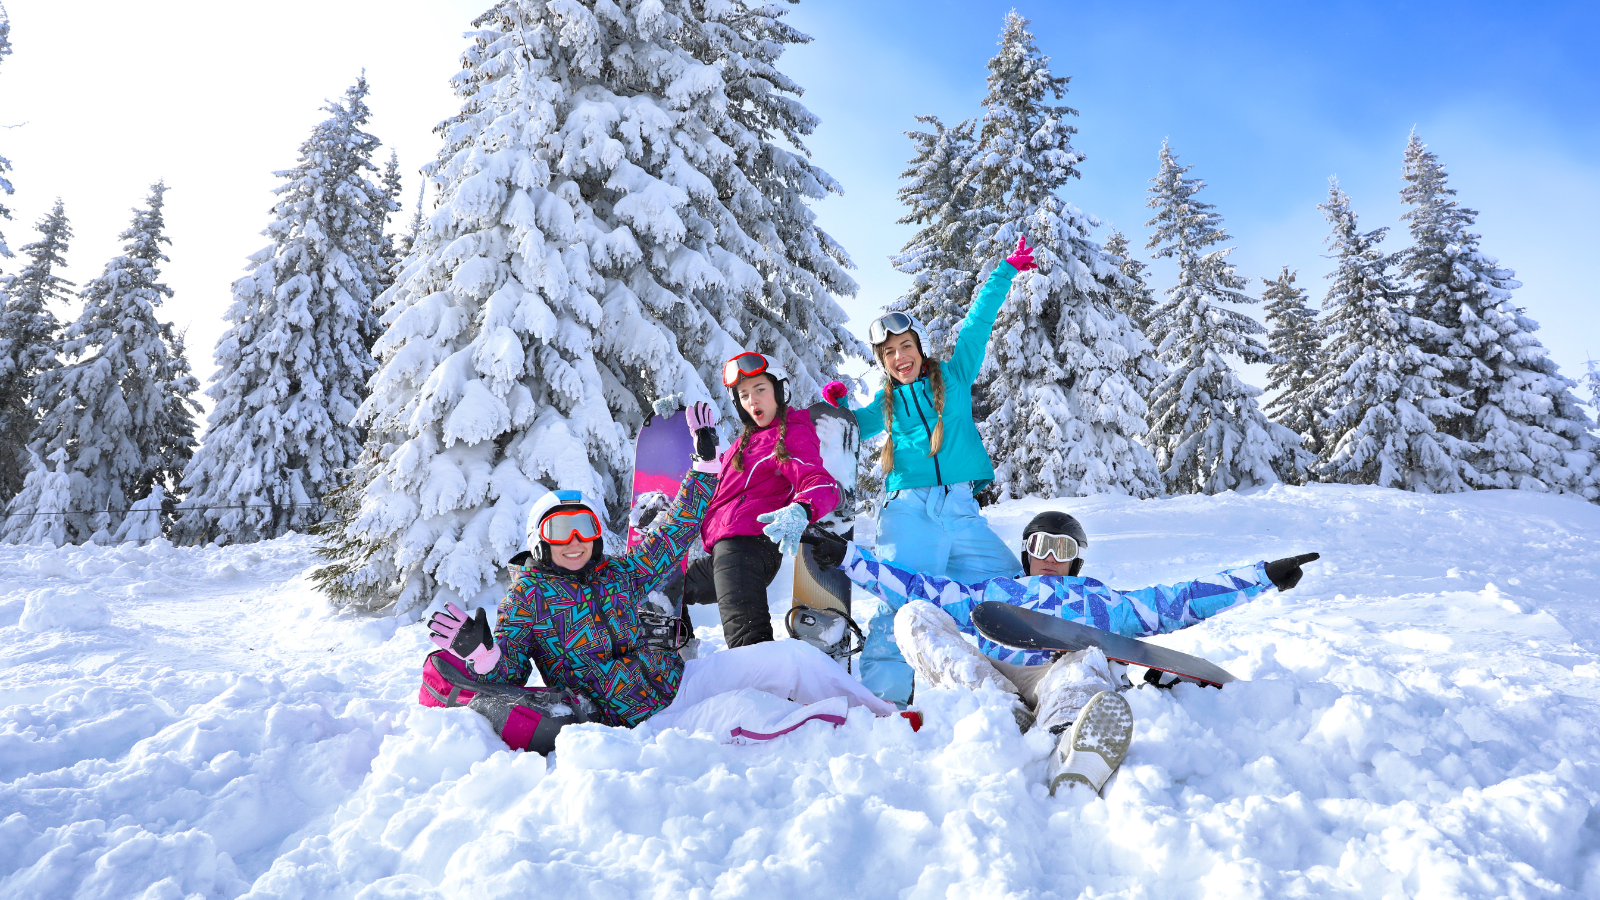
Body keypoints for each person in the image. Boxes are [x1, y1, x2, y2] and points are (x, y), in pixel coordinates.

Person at [425, 402, 892, 754]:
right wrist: (484, 657)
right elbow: (509, 676)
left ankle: (888, 720)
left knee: (792, 660)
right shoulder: (529, 598)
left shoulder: (618, 573)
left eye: (584, 527)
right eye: (560, 531)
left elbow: (676, 530)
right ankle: (846, 738)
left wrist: (705, 466)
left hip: (682, 681)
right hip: (641, 723)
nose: (575, 541)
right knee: (752, 714)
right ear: (539, 539)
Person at [797, 514, 1320, 795]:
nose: (1049, 557)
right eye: (1040, 546)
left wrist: (1262, 578)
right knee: (914, 614)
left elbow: (1178, 599)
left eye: (1063, 549)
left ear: (1077, 561)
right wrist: (848, 558)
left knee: (1086, 658)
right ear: (1026, 553)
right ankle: (999, 713)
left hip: (1059, 672)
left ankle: (1068, 743)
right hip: (992, 672)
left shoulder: (1102, 602)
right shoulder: (993, 593)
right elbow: (914, 586)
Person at [820, 234, 1038, 706]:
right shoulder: (888, 403)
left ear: (918, 344)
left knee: (1009, 594)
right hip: (909, 513)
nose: (900, 358)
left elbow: (978, 323)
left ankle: (1027, 680)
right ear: (883, 362)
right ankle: (886, 704)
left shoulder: (956, 377)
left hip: (961, 511)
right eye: (889, 353)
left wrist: (1005, 271)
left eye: (905, 345)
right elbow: (853, 428)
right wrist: (837, 410)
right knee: (899, 605)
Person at [679, 352, 841, 648]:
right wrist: (705, 456)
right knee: (669, 588)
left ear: (781, 390)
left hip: (750, 547)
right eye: (743, 395)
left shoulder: (790, 433)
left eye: (760, 390)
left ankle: (765, 689)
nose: (752, 400)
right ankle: (679, 652)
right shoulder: (742, 445)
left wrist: (802, 508)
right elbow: (715, 492)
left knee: (748, 646)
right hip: (725, 553)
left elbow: (820, 482)